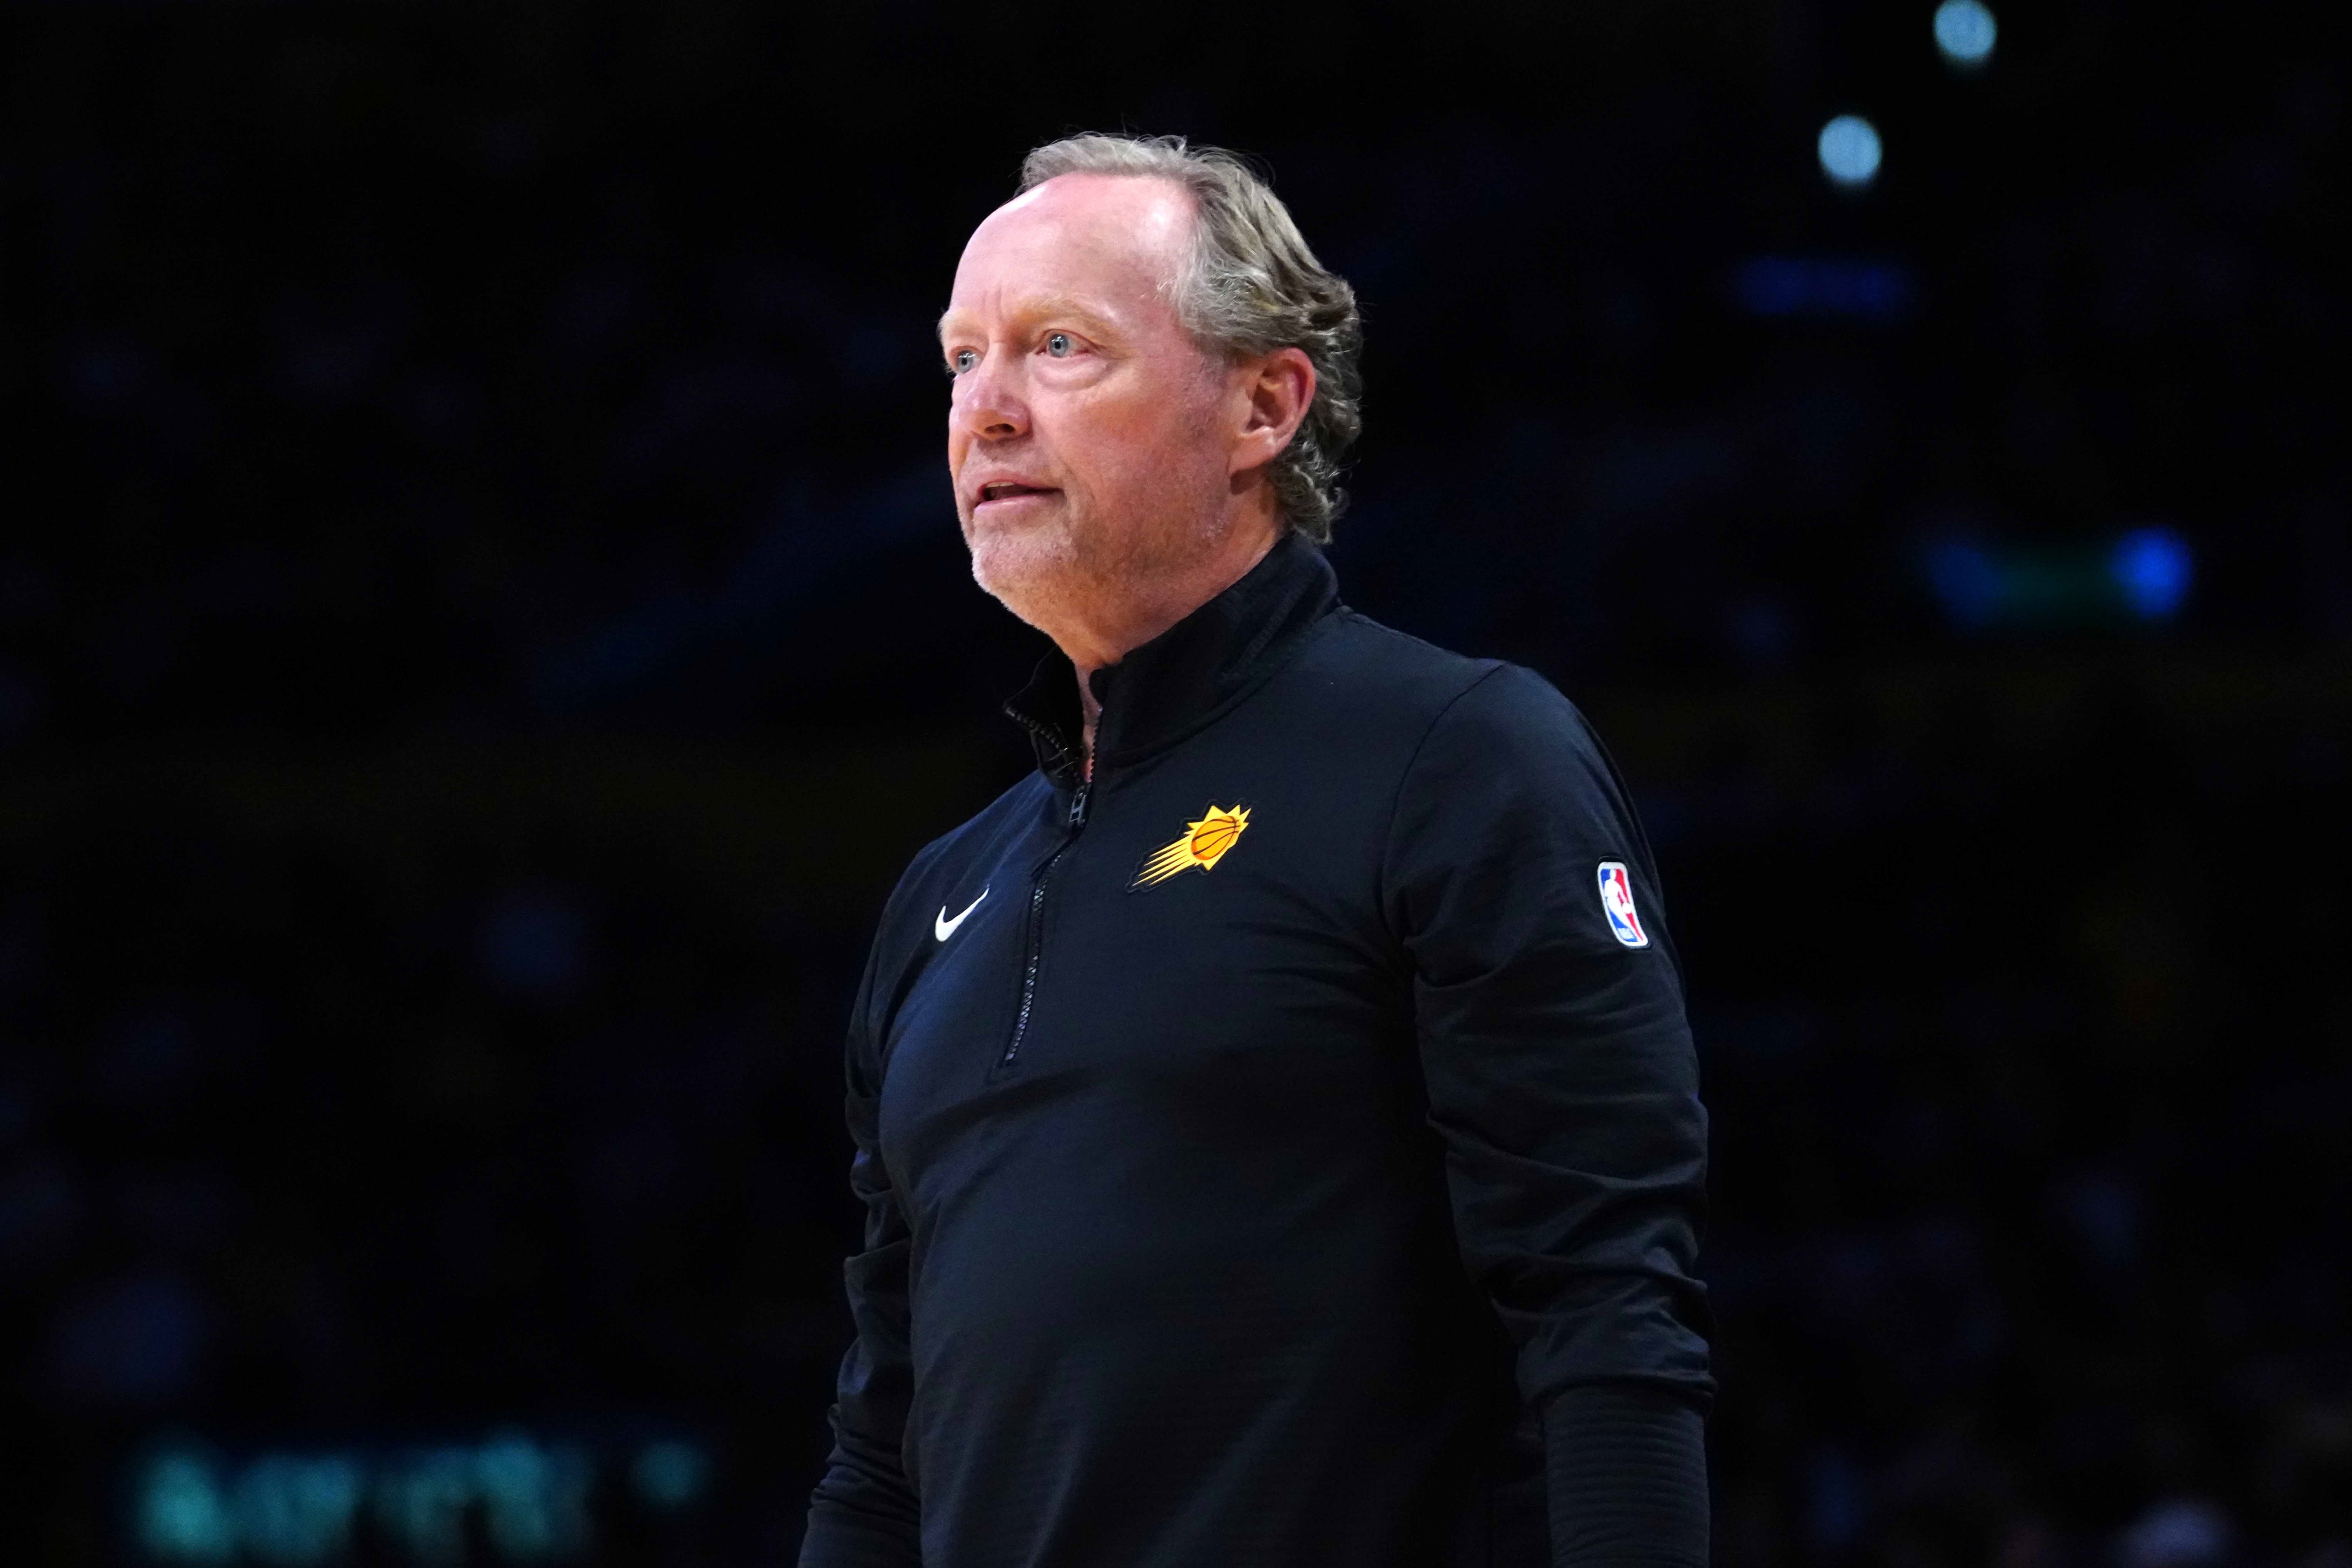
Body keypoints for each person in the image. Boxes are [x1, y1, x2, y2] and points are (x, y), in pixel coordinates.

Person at [801, 133, 1711, 1568]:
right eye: (964, 359)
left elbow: (1608, 1316)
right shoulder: (941, 895)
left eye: (1059, 347)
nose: (987, 408)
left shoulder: (1458, 756)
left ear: (1263, 405)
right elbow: (879, 1446)